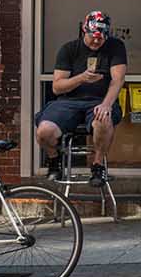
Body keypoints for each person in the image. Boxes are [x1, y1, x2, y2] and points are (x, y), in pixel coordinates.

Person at [36, 10, 127, 185]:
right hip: (69, 102)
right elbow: (56, 87)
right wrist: (81, 78)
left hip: (99, 100)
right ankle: (55, 161)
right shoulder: (69, 49)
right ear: (84, 31)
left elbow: (118, 79)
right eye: (92, 36)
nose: (96, 41)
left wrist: (107, 105)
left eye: (100, 38)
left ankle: (97, 166)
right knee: (44, 131)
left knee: (103, 118)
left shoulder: (115, 46)